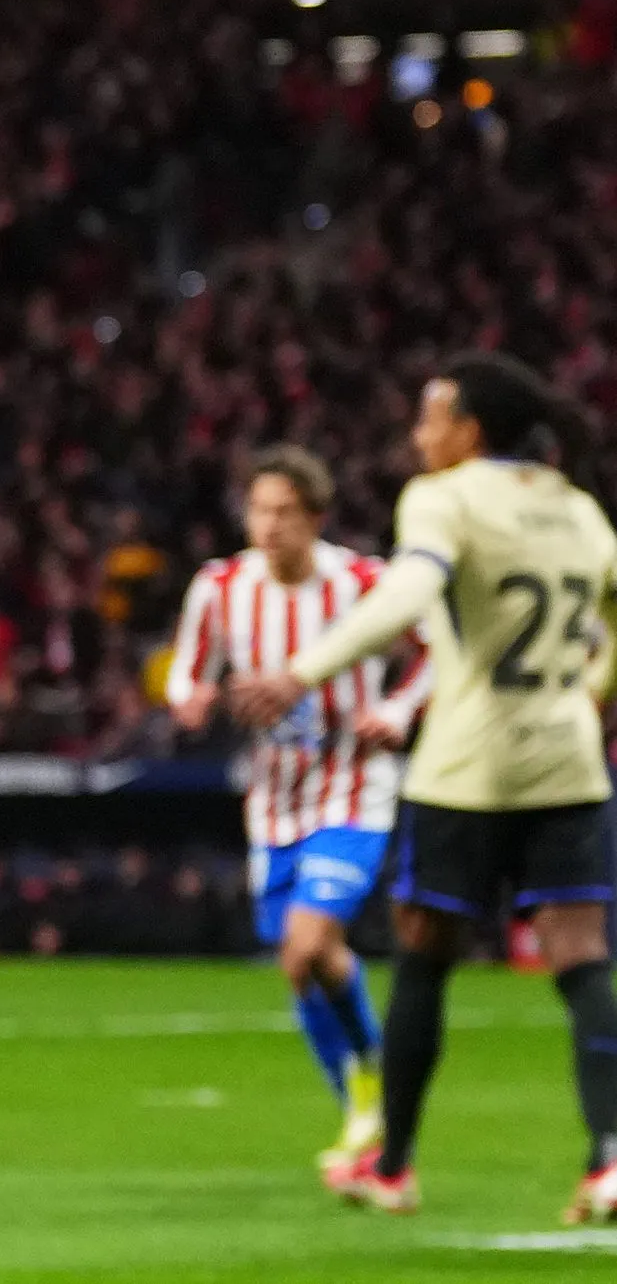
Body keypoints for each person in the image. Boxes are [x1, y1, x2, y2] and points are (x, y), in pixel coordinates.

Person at [234, 354, 617, 1222]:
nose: (417, 436)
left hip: (467, 766)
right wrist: (590, 693)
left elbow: (408, 588)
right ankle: (608, 1158)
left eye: (429, 418)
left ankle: (394, 1165)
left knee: (423, 958)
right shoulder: (578, 508)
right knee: (581, 959)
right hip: (565, 760)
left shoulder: (443, 498)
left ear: (468, 430)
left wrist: (300, 671)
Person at [162, 445, 422, 1171]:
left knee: (307, 943)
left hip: (352, 787)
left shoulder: (363, 582)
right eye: (258, 510)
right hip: (273, 800)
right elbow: (187, 668)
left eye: (284, 511)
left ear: (315, 517)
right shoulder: (219, 586)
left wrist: (397, 708)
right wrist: (189, 697)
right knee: (302, 962)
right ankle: (362, 1096)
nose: (268, 525)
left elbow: (435, 650)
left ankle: (368, 1093)